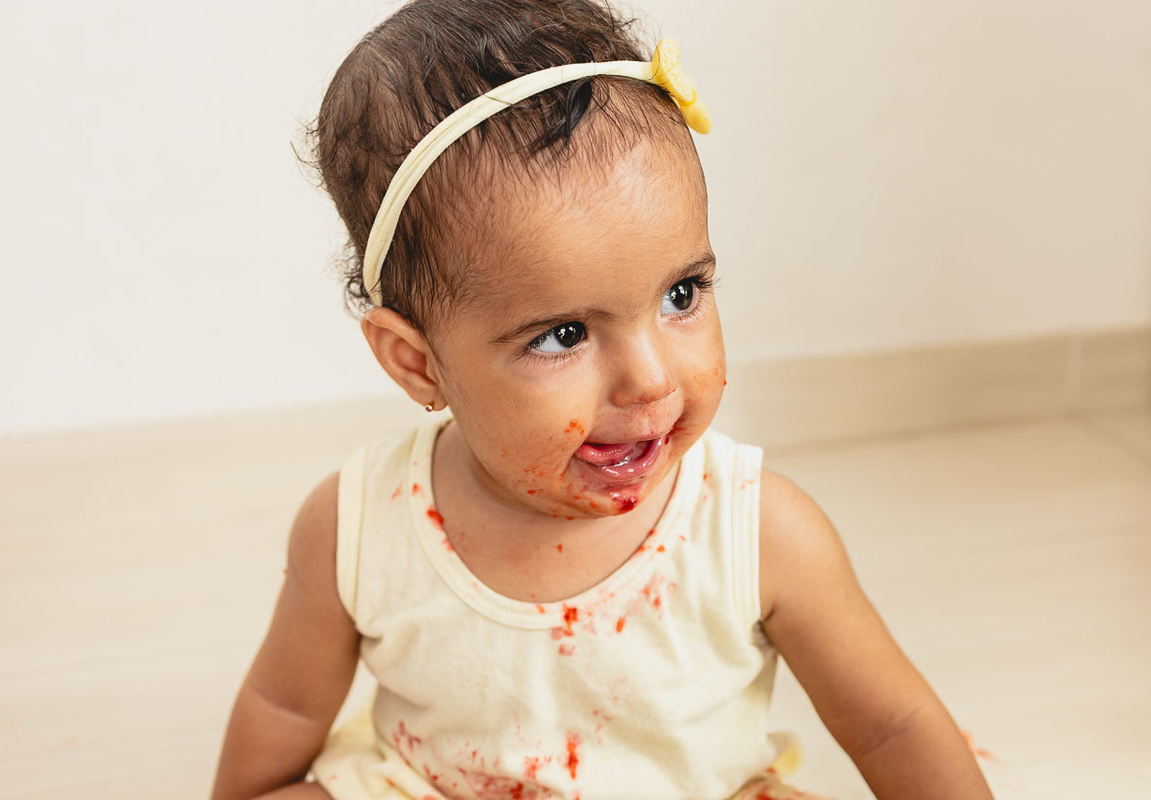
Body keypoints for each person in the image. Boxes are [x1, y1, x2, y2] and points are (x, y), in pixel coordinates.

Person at [212, 1, 995, 798]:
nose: (651, 380)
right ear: (419, 365)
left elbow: (892, 723)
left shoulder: (755, 528)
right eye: (562, 335)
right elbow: (281, 704)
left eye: (682, 293)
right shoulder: (359, 523)